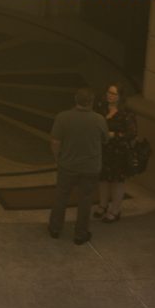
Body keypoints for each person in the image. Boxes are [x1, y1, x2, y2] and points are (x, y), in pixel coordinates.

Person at [49, 86, 107, 244]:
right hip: (90, 167)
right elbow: (104, 139)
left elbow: (55, 141)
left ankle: (55, 228)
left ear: (75, 100)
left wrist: (58, 158)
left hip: (67, 165)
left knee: (61, 196)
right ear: (91, 102)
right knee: (85, 199)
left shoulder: (63, 117)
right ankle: (80, 234)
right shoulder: (99, 119)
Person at [98, 81, 138, 222]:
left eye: (114, 93)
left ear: (120, 96)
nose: (110, 96)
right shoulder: (102, 109)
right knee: (102, 179)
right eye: (109, 92)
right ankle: (102, 205)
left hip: (118, 152)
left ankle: (115, 210)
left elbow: (132, 133)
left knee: (117, 181)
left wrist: (114, 135)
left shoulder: (126, 114)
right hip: (103, 150)